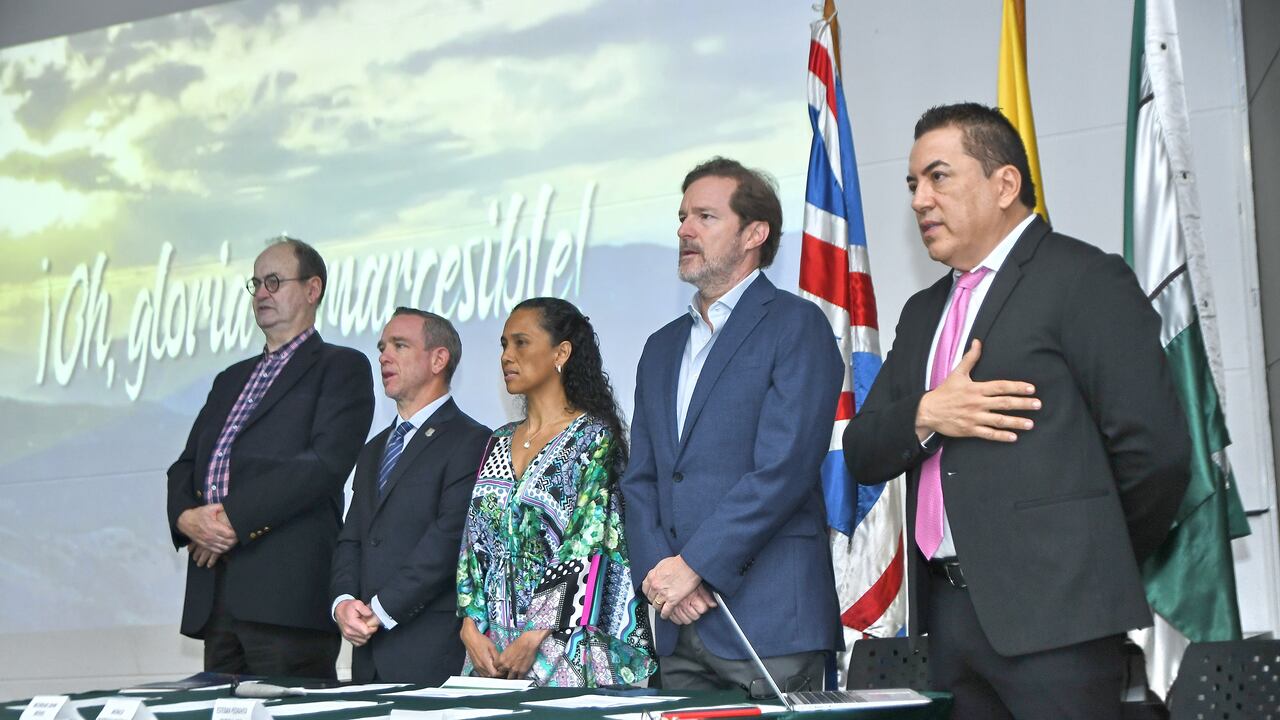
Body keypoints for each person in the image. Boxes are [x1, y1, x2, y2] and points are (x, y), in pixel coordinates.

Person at [842, 103, 1191, 719]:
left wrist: (1084, 561)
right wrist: (928, 412)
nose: (920, 199)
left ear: (1004, 184)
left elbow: (1154, 454)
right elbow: (864, 449)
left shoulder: (1084, 279)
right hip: (950, 623)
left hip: (1059, 621)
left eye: (939, 176)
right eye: (912, 184)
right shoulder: (923, 312)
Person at [620, 157, 844, 691]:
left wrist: (694, 566)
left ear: (755, 233)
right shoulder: (660, 347)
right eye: (681, 217)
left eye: (704, 217)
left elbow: (783, 470)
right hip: (679, 621)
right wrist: (662, 578)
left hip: (770, 622)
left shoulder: (796, 326)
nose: (684, 230)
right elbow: (643, 479)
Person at [166, 236, 375, 678]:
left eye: (275, 281)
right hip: (218, 596)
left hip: (287, 598)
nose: (261, 293)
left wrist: (229, 521)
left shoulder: (341, 368)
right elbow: (186, 466)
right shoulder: (230, 378)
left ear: (313, 289)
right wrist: (187, 519)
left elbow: (323, 465)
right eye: (256, 283)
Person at [456, 297, 657, 687]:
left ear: (560, 352)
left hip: (562, 649)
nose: (506, 356)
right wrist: (470, 624)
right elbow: (474, 543)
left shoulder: (593, 438)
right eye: (503, 345)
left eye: (521, 343)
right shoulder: (498, 441)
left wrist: (535, 633)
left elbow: (590, 542)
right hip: (491, 654)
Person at [330, 308, 490, 684]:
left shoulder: (472, 440)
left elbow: (449, 539)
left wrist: (381, 610)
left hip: (430, 653)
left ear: (438, 359)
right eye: (382, 347)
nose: (384, 356)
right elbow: (353, 537)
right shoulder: (373, 449)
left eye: (399, 346)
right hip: (367, 659)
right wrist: (343, 602)